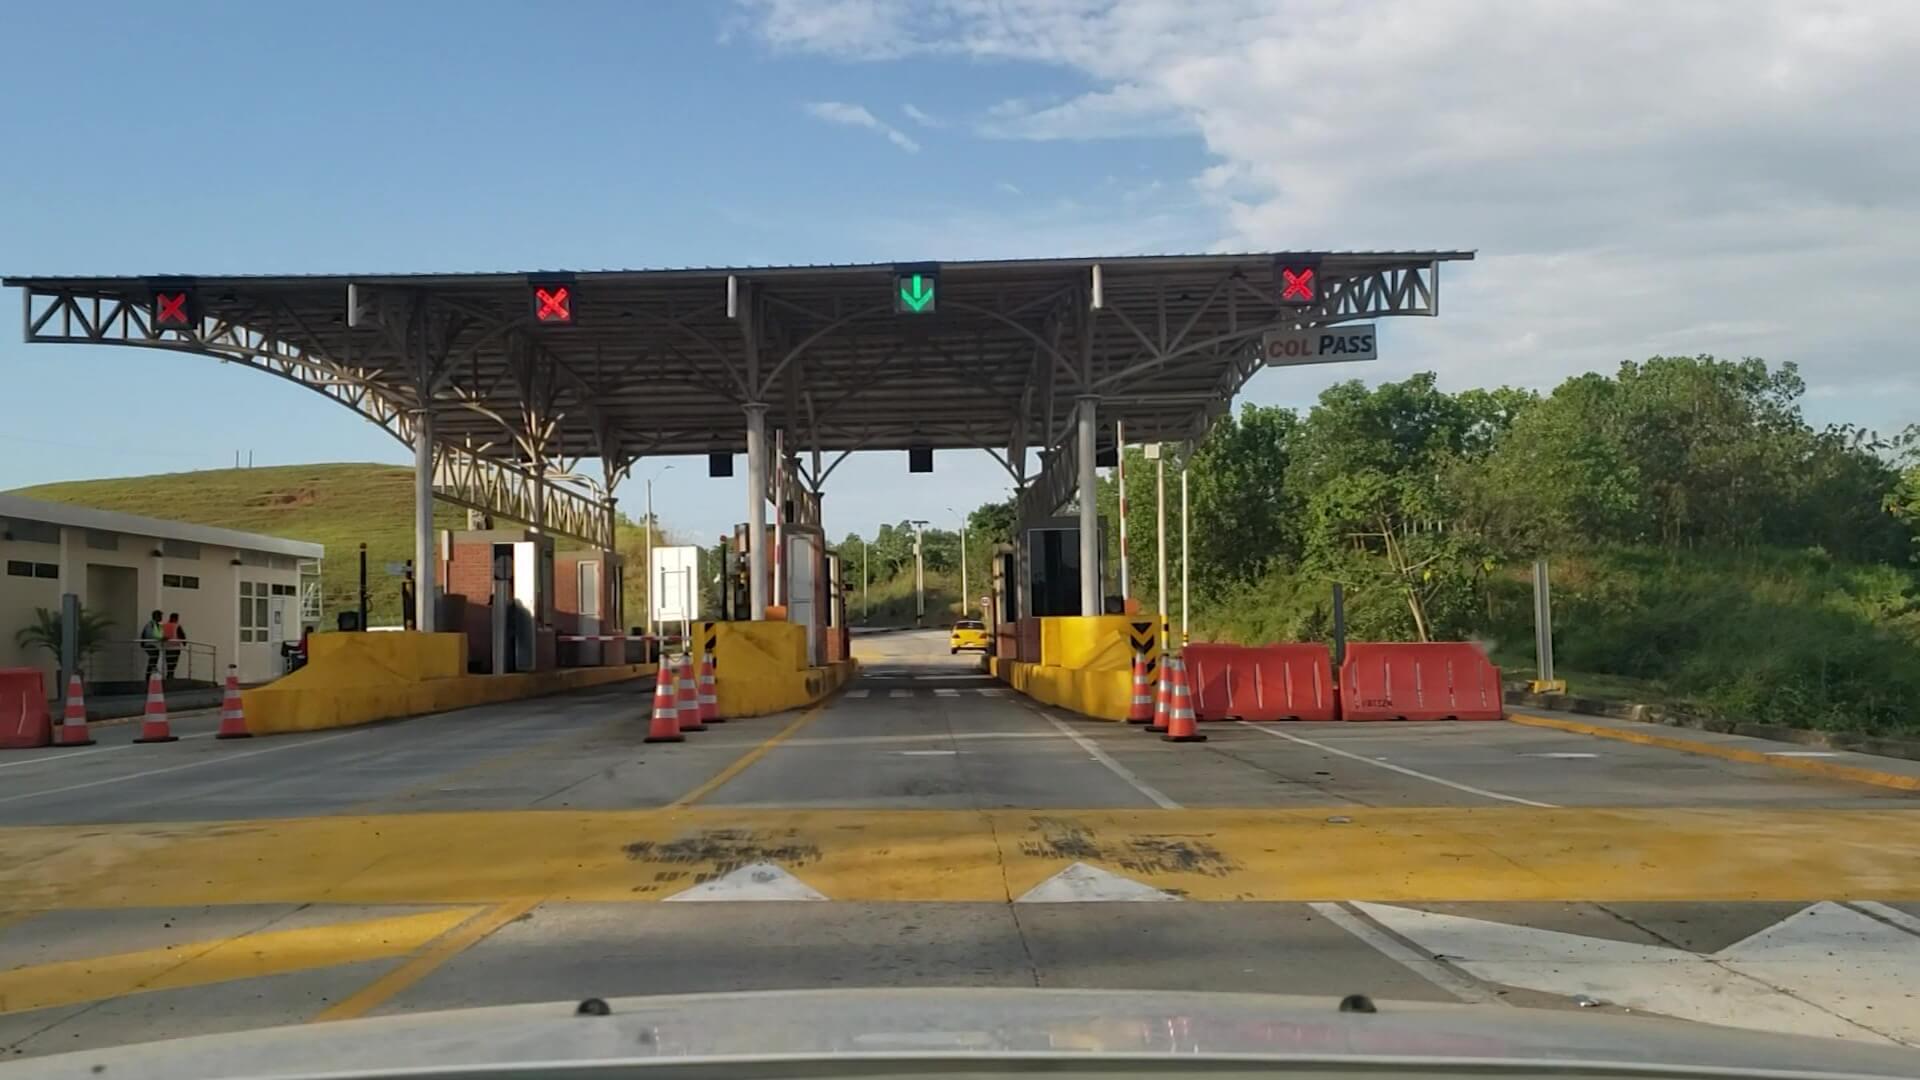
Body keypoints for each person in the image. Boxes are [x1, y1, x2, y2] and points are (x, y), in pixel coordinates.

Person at [139, 609, 165, 679]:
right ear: (156, 616)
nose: (161, 618)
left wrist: (162, 638)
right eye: (160, 616)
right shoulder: (150, 624)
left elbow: (159, 635)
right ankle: (150, 673)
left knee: (155, 655)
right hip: (148, 644)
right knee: (154, 654)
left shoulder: (156, 625)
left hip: (153, 645)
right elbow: (150, 634)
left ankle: (150, 672)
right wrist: (161, 638)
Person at [163, 612, 186, 680]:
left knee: (169, 662)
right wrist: (184, 643)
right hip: (175, 647)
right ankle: (170, 675)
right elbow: (181, 635)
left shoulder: (165, 625)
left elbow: (163, 635)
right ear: (175, 618)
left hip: (167, 647)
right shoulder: (177, 625)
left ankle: (169, 675)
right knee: (174, 662)